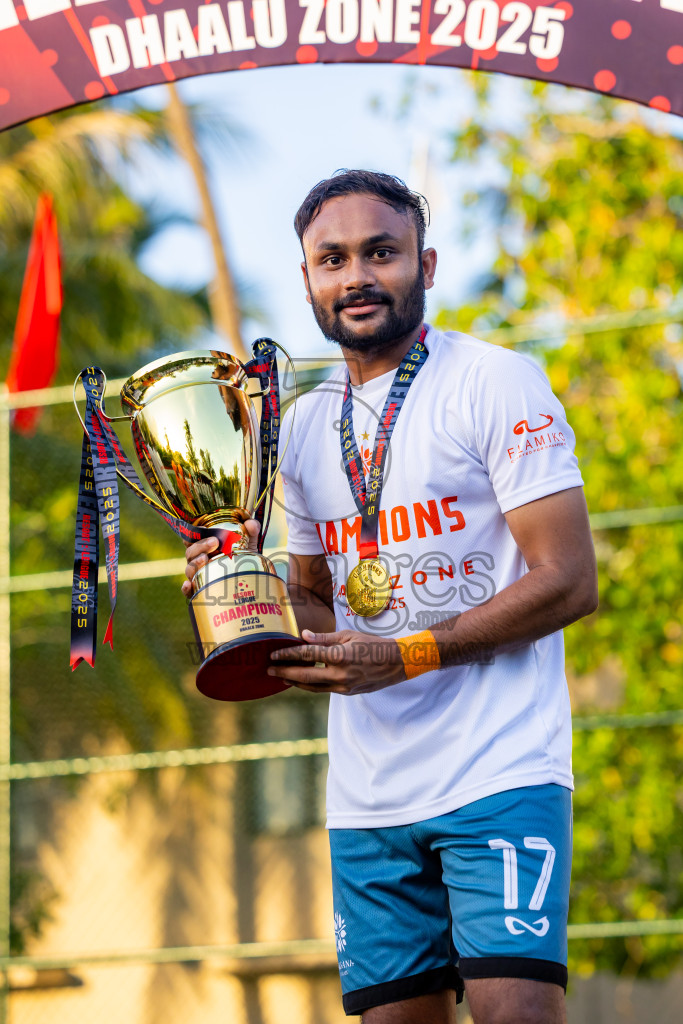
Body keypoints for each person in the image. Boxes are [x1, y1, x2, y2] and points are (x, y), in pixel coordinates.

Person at [183, 170, 598, 1024]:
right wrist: (239, 584)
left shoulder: (495, 381)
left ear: (426, 264)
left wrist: (405, 653)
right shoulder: (298, 424)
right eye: (330, 259)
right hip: (368, 795)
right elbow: (317, 602)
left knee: (516, 1014)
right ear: (306, 281)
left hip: (500, 770)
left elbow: (567, 580)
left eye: (381, 252)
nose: (356, 277)